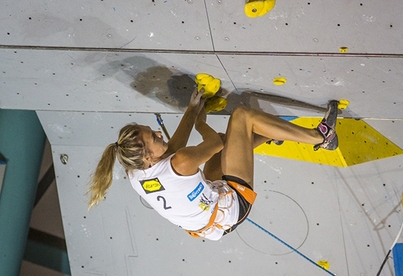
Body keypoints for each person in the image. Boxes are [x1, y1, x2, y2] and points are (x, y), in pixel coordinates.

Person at [87, 89, 339, 241]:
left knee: (233, 142)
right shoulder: (178, 163)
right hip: (232, 206)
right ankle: (322, 137)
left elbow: (173, 151)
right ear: (147, 158)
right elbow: (216, 142)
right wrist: (199, 123)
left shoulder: (135, 171)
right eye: (153, 136)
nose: (158, 132)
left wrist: (194, 107)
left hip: (209, 215)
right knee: (241, 117)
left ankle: (272, 133)